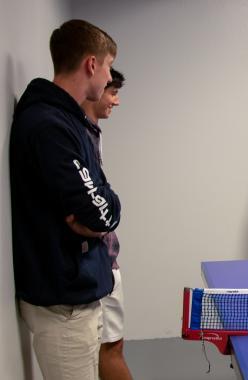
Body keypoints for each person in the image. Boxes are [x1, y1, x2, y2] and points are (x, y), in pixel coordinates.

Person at [10, 19, 121, 380]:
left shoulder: (69, 121)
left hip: (76, 296)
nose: (108, 80)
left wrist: (104, 208)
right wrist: (104, 210)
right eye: (107, 68)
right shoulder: (49, 125)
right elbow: (99, 211)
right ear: (91, 64)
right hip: (64, 305)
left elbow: (102, 202)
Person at [82, 68, 133, 380]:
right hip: (98, 263)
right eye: (112, 92)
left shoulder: (91, 132)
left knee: (113, 346)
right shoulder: (80, 135)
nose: (117, 101)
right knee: (110, 348)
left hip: (106, 257)